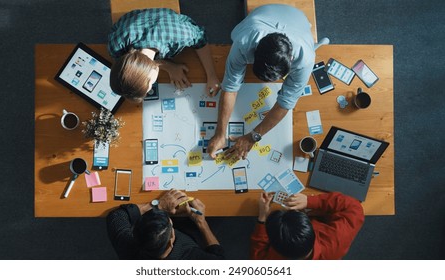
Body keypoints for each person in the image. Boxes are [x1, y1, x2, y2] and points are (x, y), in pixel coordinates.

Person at [207, 4, 318, 160]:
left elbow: (285, 103)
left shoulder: (305, 60)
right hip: (262, 14)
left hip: (299, 19)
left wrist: (253, 137)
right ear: (254, 52)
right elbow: (230, 87)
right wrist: (220, 133)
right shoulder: (244, 42)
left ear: (291, 61)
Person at [108, 8, 220, 103]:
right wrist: (169, 66)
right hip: (135, 20)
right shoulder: (115, 46)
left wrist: (212, 75)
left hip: (169, 21)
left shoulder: (180, 35)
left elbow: (200, 38)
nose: (151, 87)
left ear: (152, 71)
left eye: (151, 84)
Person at [106, 189, 224, 260]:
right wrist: (201, 222)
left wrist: (157, 205)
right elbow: (219, 257)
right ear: (170, 242)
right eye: (170, 224)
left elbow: (116, 216)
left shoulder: (128, 247)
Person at [251, 191, 365, 260]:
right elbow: (355, 207)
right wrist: (310, 201)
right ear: (310, 230)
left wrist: (263, 218)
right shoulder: (336, 241)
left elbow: (257, 257)